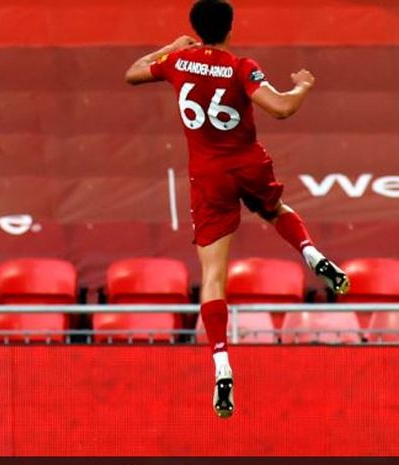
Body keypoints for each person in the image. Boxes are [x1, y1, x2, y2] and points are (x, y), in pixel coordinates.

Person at [124, 0, 350, 418]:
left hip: (207, 175)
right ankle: (311, 253)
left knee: (213, 277)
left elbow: (132, 72)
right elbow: (281, 107)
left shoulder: (177, 60)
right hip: (246, 162)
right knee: (275, 208)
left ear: (194, 27)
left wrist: (169, 46)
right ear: (231, 28)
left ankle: (222, 363)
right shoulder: (240, 66)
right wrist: (302, 86)